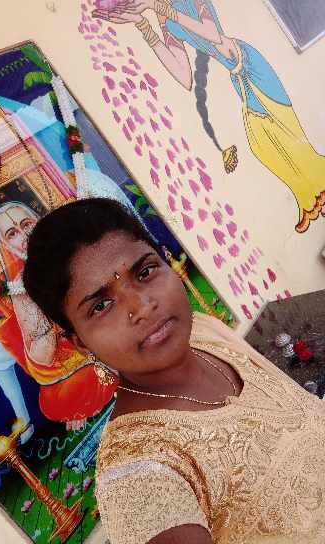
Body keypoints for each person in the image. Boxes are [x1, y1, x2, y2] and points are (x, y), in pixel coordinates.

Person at [23, 197, 325, 544]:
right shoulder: (139, 475)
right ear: (81, 343)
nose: (141, 306)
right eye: (101, 305)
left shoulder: (206, 333)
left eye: (145, 272)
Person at [92, 0, 325, 234]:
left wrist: (159, 8)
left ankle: (317, 185)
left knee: (287, 132)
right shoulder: (163, 15)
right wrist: (142, 24)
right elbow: (184, 75)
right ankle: (308, 198)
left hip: (248, 62)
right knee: (264, 147)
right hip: (238, 76)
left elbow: (212, 34)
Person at [0, 201, 116, 428]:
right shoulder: (21, 288)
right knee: (65, 397)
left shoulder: (73, 251)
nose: (25, 235)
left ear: (39, 221)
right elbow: (42, 359)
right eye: (12, 234)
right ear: (7, 245)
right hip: (75, 363)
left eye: (26, 224)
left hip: (109, 331)